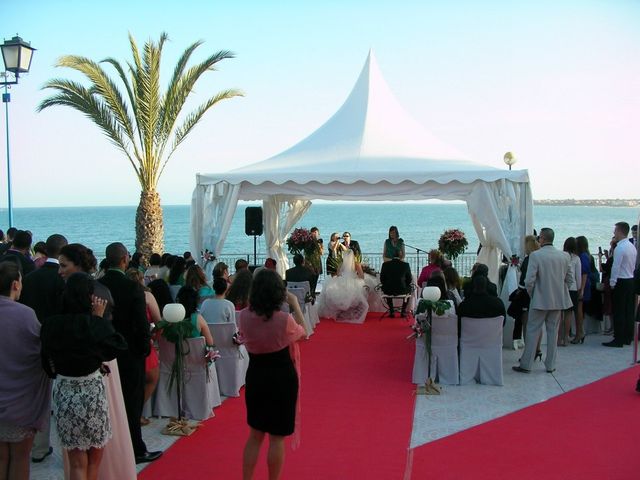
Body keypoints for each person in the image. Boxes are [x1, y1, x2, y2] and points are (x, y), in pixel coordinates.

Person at [58, 243, 137, 479]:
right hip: (93, 363)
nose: (60, 271)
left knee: (91, 444)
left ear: (78, 265)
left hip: (95, 364)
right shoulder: (96, 290)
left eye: (64, 266)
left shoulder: (95, 291)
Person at [41, 273, 127, 480]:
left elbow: (46, 360)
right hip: (91, 391)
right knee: (94, 458)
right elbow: (117, 347)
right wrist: (98, 319)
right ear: (89, 297)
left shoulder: (51, 324)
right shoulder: (93, 323)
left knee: (76, 461)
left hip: (64, 391)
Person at [237, 269, 306, 480]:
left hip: (256, 376)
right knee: (277, 438)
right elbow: (304, 332)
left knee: (255, 435)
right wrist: (294, 304)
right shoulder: (284, 320)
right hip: (282, 379)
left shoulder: (244, 317)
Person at [98, 243, 161, 464]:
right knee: (131, 403)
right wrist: (143, 350)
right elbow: (141, 325)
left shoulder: (97, 286)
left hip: (103, 353)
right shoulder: (133, 288)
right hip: (129, 353)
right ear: (125, 259)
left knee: (107, 402)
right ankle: (136, 448)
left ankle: (108, 448)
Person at [16, 233, 67, 463]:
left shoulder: (32, 277)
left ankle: (35, 446)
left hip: (30, 339)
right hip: (57, 343)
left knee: (34, 392)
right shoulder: (63, 279)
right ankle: (47, 447)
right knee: (55, 395)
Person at [0, 262, 51, 480]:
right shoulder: (26, 315)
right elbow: (41, 352)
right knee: (21, 458)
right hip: (22, 402)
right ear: (14, 284)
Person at [513, 228, 572, 374]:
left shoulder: (536, 256)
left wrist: (533, 294)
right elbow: (569, 279)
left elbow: (529, 281)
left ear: (542, 239)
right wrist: (559, 291)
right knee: (553, 333)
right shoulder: (564, 256)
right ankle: (550, 365)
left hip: (539, 300)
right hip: (557, 300)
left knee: (532, 331)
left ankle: (526, 364)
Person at [126, 269, 162, 424]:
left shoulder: (122, 295)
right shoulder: (147, 296)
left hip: (125, 342)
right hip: (143, 341)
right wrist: (155, 337)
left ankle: (130, 412)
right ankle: (136, 413)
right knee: (152, 378)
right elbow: (158, 320)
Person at [603, 222, 637, 348]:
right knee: (628, 310)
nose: (614, 233)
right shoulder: (631, 246)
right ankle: (628, 337)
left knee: (619, 311)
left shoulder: (620, 248)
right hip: (630, 279)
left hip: (621, 281)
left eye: (615, 231)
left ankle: (618, 339)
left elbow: (616, 267)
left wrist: (612, 283)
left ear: (620, 231)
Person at [318, 249, 369, 324]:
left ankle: (341, 311)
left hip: (342, 282)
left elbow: (338, 275)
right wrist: (355, 277)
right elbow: (361, 276)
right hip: (353, 282)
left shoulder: (341, 264)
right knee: (362, 286)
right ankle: (354, 310)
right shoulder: (356, 264)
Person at [559, 237, 581, 346]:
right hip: (572, 288)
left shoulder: (561, 256)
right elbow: (578, 277)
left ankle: (558, 338)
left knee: (559, 314)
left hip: (561, 287)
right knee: (568, 314)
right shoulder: (576, 259)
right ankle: (566, 338)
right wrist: (579, 288)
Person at [573, 235, 593, 344]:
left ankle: (579, 333)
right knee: (578, 310)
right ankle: (580, 332)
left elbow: (584, 273)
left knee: (579, 310)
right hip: (582, 285)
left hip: (582, 285)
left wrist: (581, 289)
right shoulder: (585, 255)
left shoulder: (583, 256)